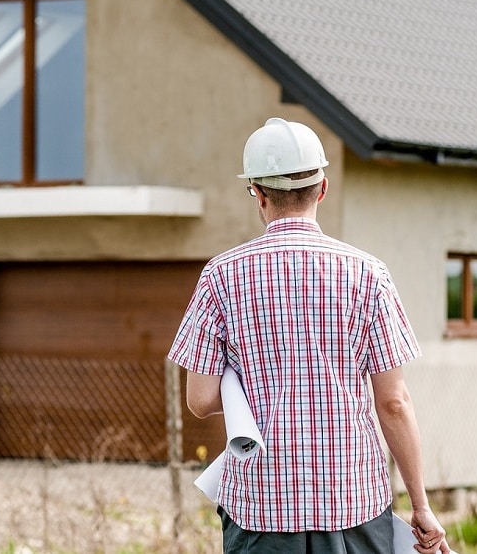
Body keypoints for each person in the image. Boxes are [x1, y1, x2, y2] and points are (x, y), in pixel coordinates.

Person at [168, 117, 450, 554]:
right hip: (353, 502)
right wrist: (420, 505)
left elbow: (200, 400)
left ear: (258, 194)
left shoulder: (220, 276)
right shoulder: (368, 274)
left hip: (261, 508)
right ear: (322, 189)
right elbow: (393, 402)